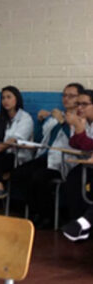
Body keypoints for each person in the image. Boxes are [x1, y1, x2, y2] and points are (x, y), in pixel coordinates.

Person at [11, 83, 83, 228]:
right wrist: (40, 122)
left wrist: (63, 123)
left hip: (64, 161)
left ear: (79, 99)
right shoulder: (56, 116)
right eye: (64, 95)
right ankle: (35, 211)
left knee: (39, 177)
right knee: (18, 174)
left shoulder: (81, 120)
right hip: (46, 156)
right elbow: (39, 138)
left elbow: (76, 142)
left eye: (71, 96)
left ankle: (49, 217)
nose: (66, 99)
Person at [0, 86, 33, 203]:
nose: (5, 101)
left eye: (9, 97)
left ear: (17, 99)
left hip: (16, 158)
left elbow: (14, 140)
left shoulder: (25, 118)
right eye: (3, 98)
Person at [62, 90, 93, 241]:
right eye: (78, 104)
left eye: (84, 104)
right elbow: (74, 143)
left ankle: (84, 225)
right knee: (72, 180)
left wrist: (79, 129)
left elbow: (89, 145)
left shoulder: (80, 122)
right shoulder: (82, 120)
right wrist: (78, 128)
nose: (80, 108)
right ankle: (78, 221)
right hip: (87, 164)